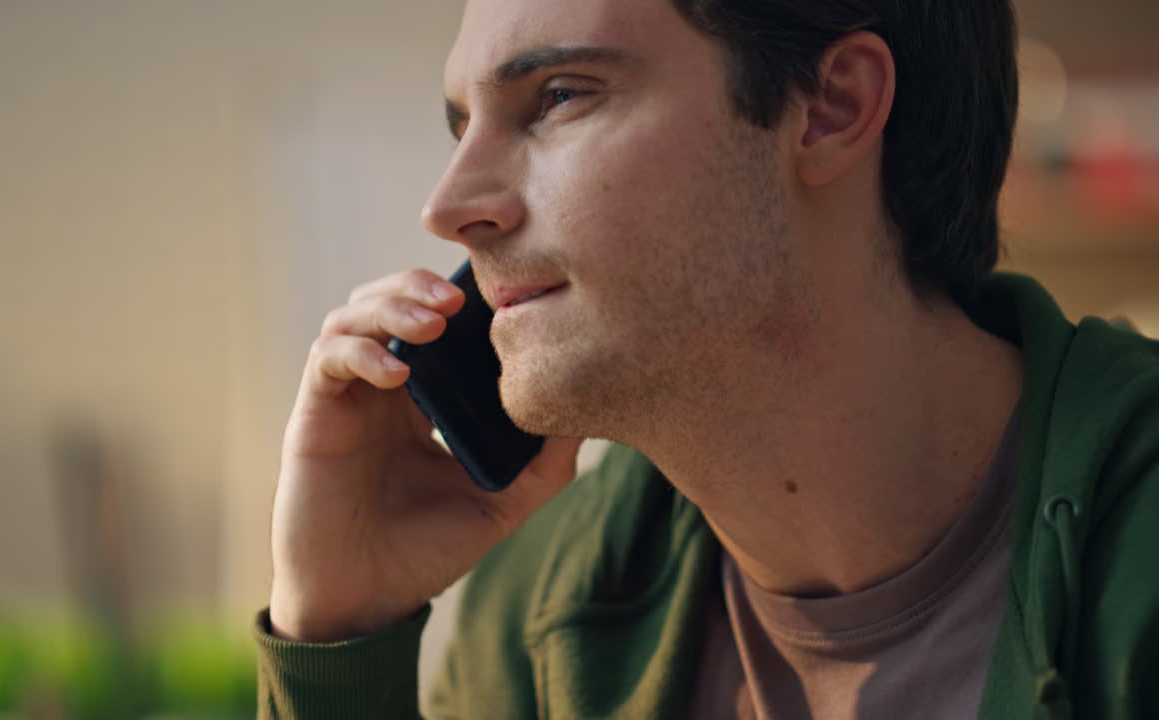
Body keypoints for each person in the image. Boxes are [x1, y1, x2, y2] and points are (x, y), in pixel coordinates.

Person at [254, 0, 1159, 717]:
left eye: (560, 95)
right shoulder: (540, 609)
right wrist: (339, 639)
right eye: (464, 127)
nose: (448, 207)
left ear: (832, 106)